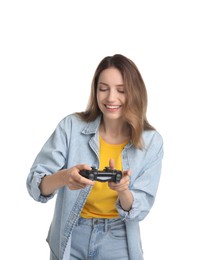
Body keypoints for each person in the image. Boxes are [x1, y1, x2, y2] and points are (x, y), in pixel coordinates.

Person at [26, 54, 163, 260]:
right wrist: (65, 177)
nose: (110, 98)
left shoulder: (152, 142)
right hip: (71, 236)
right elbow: (36, 186)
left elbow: (139, 209)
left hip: (119, 240)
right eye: (103, 88)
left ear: (135, 93)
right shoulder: (70, 127)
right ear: (95, 90)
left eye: (121, 90)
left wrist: (123, 190)